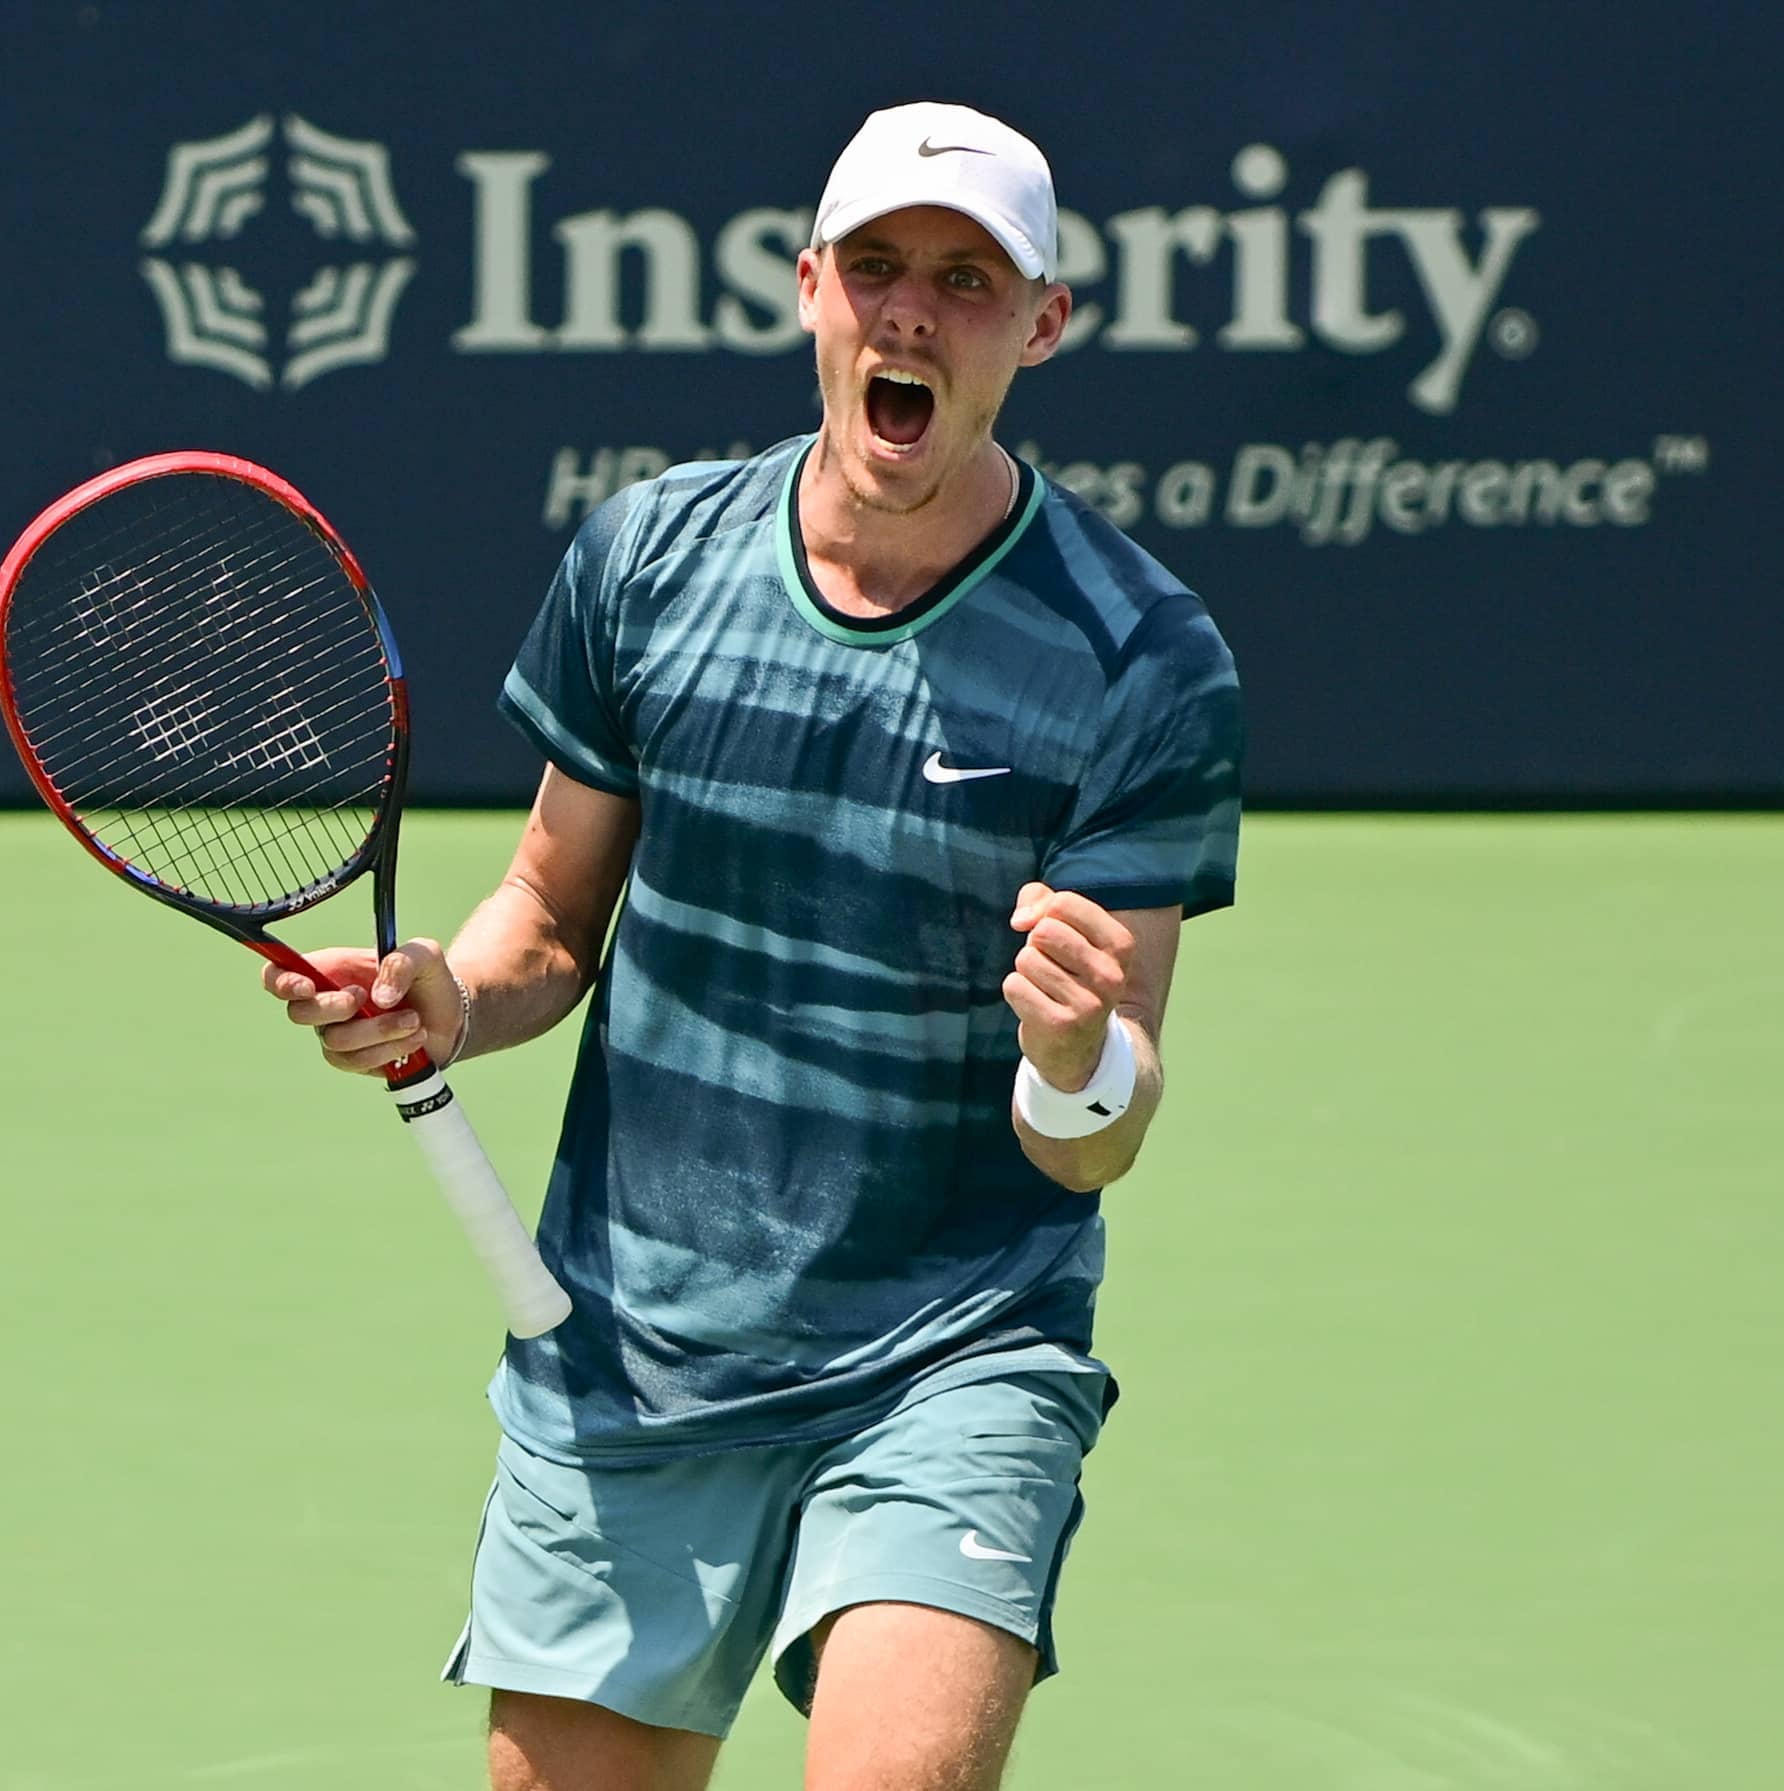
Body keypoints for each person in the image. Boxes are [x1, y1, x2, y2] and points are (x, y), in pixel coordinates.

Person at [264, 101, 1242, 1791]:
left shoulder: (1140, 659)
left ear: (1043, 324)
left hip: (954, 1347)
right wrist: (448, 993)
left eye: (966, 279)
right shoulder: (649, 562)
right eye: (876, 269)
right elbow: (551, 922)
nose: (912, 312)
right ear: (810, 289)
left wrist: (1080, 1059)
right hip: (637, 1355)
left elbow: (1098, 1140)